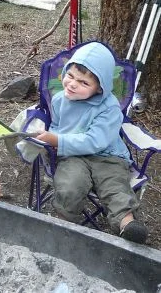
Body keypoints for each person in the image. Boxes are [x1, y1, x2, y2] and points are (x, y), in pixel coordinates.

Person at [36, 42, 148, 244]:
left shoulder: (110, 107)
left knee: (114, 186)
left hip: (108, 156)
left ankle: (127, 225)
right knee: (70, 184)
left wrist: (58, 140)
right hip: (72, 156)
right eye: (69, 76)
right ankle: (64, 225)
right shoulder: (60, 100)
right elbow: (57, 126)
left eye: (83, 83)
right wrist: (51, 137)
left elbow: (95, 141)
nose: (72, 84)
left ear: (99, 88)